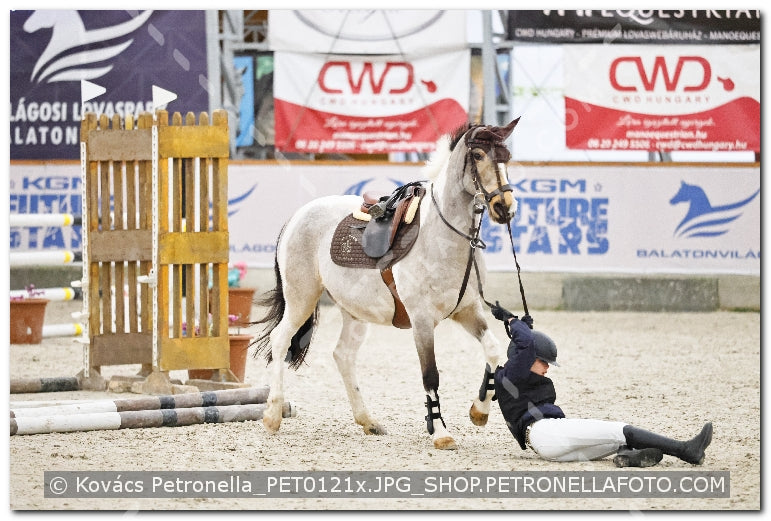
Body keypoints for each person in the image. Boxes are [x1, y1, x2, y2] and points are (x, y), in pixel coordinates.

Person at [483, 303, 713, 467]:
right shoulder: (510, 374)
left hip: (549, 445)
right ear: (525, 358)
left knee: (618, 441)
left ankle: (627, 456)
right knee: (622, 429)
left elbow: (527, 343)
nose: (548, 367)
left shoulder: (516, 377)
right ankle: (686, 450)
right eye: (543, 361)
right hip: (546, 433)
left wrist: (523, 327)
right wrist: (511, 320)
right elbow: (526, 345)